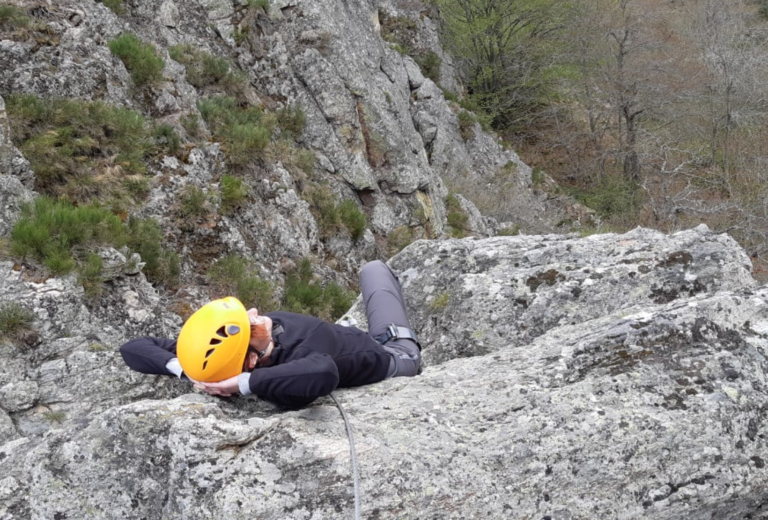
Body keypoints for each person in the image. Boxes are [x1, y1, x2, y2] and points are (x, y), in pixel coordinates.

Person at [120, 260, 421, 409]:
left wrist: (238, 383)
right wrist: (190, 368)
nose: (254, 312)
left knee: (373, 268)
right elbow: (134, 348)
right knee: (373, 271)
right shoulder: (236, 351)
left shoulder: (305, 348)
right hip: (372, 348)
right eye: (249, 324)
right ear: (249, 359)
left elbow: (324, 370)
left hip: (397, 355)